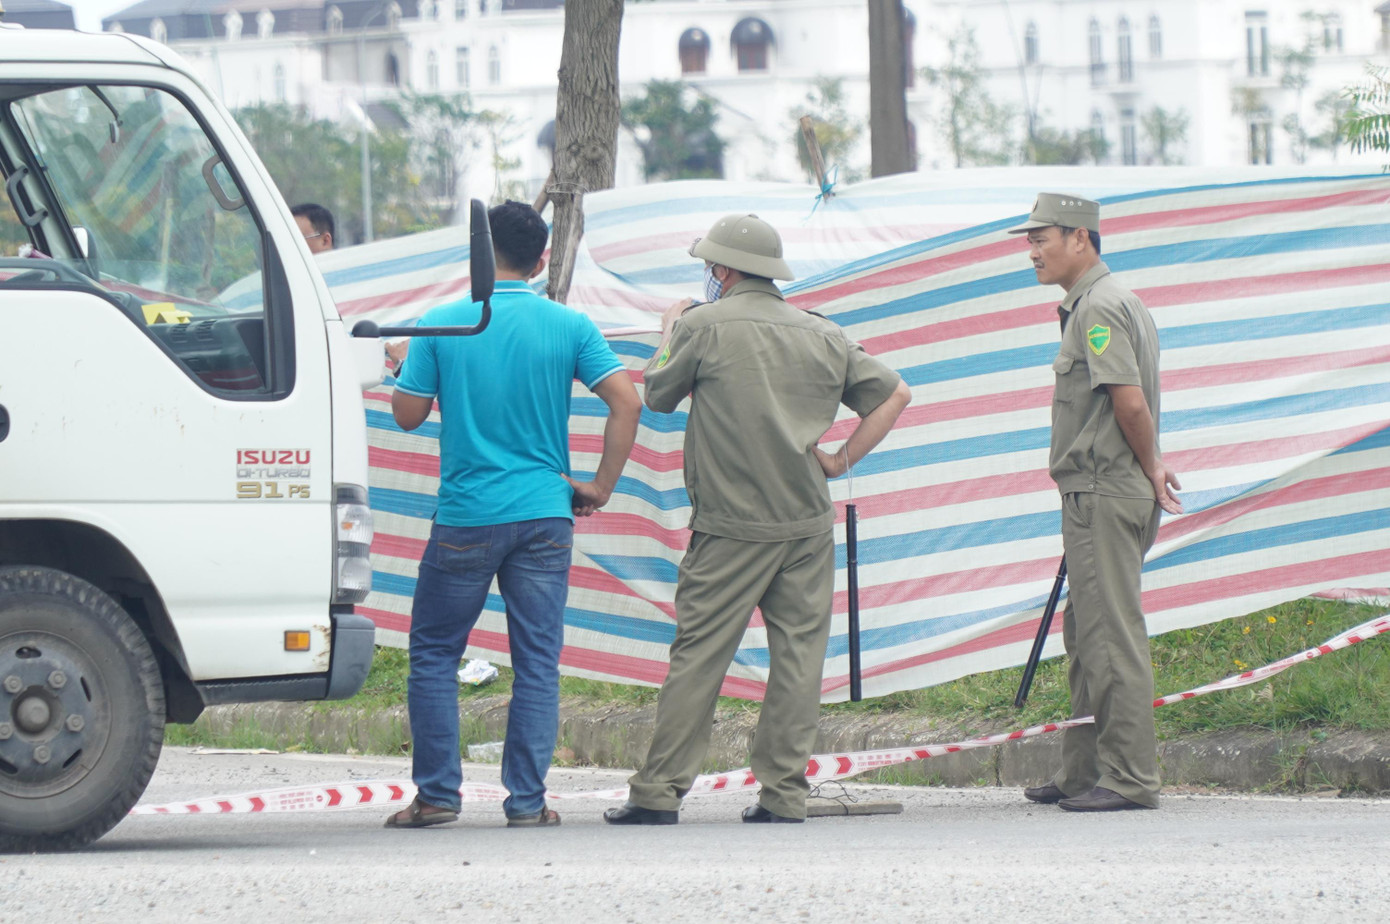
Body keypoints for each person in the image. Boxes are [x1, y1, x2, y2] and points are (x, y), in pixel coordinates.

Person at [603, 214, 911, 826]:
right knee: (798, 658)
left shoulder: (702, 325)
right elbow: (895, 394)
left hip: (730, 526)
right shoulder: (822, 333)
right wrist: (838, 459)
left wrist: (670, 329)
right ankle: (783, 795)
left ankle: (659, 794)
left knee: (700, 656)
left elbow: (658, 394)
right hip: (806, 523)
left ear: (722, 270)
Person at [385, 200, 642, 828]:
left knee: (435, 654)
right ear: (542, 258)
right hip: (546, 513)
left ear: (479, 249)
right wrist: (600, 486)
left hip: (467, 515)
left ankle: (437, 797)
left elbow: (408, 416)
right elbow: (627, 402)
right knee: (536, 661)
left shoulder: (442, 324)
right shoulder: (570, 324)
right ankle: (527, 802)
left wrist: (403, 364)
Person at [1009, 193, 1182, 813]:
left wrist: (1152, 464)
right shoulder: (1105, 301)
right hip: (1099, 489)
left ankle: (1130, 777)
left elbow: (1128, 401)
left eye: (1041, 239)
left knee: (1110, 635)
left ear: (1079, 238)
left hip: (1103, 490)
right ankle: (1083, 771)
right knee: (1086, 636)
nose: (1032, 252)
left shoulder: (1101, 307)